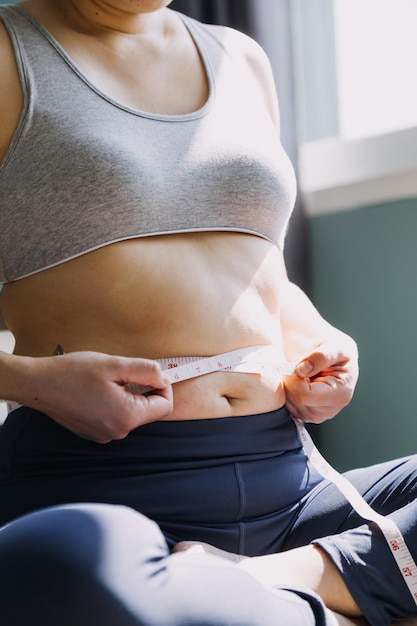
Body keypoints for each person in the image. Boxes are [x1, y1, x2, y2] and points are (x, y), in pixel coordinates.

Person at [0, 1, 416, 625]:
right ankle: (328, 598)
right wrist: (32, 383)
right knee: (65, 563)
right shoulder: (10, 54)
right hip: (103, 481)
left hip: (290, 485)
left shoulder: (241, 58)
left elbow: (257, 272)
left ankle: (275, 582)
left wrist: (318, 339)